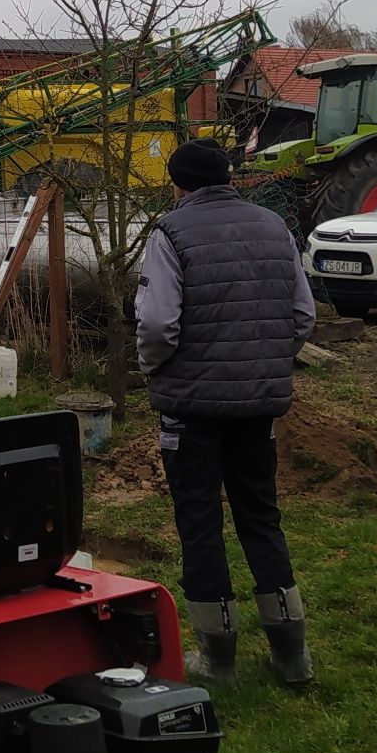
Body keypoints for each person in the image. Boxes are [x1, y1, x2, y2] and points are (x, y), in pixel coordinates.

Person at [135, 140, 318, 686]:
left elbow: (157, 325)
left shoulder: (170, 232)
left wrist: (153, 368)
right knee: (261, 517)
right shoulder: (274, 226)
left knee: (200, 525)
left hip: (191, 409)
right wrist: (265, 361)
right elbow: (302, 315)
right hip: (257, 406)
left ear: (177, 183)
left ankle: (217, 659)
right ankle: (293, 656)